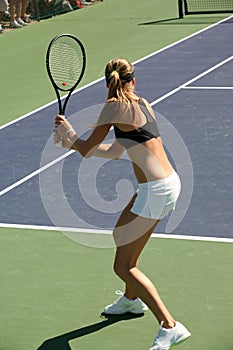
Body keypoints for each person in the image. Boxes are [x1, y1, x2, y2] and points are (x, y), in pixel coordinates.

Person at [54, 58, 191, 350]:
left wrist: (70, 136)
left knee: (124, 265)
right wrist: (72, 142)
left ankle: (170, 325)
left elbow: (88, 150)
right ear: (133, 80)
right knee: (120, 235)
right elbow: (117, 150)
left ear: (107, 83)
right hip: (163, 184)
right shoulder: (143, 102)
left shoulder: (113, 107)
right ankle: (131, 301)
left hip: (156, 190)